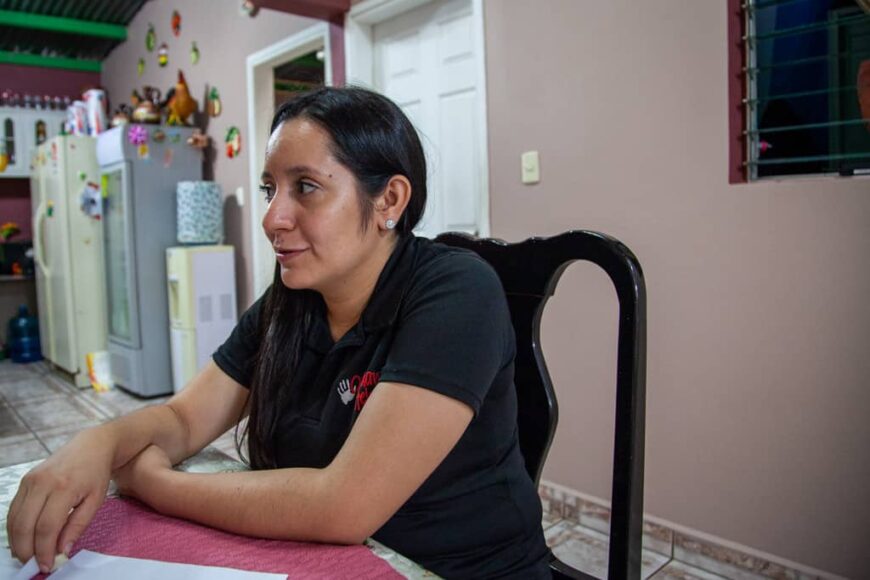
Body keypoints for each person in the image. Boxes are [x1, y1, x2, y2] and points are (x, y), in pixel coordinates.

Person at [6, 87, 551, 579]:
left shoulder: (457, 291)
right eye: (271, 188)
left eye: (306, 187)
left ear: (389, 200)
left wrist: (157, 485)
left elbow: (343, 506)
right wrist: (96, 445)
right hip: (319, 559)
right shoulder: (290, 303)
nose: (272, 217)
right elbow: (182, 418)